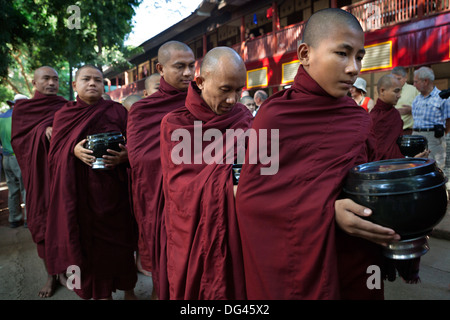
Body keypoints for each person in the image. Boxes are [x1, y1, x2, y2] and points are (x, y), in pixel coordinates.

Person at [236, 8, 399, 300]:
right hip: (299, 261)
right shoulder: (275, 117)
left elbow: (367, 184)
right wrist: (328, 212)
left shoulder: (359, 118)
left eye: (359, 57)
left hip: (356, 254)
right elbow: (253, 201)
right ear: (305, 53)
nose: (354, 68)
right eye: (342, 53)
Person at [160, 46, 253, 299]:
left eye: (239, 90)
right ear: (200, 81)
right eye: (225, 89)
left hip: (236, 224)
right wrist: (229, 186)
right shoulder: (175, 123)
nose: (233, 100)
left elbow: (259, 167)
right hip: (192, 230)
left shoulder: (243, 116)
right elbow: (180, 187)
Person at [45, 65, 138, 300]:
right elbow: (54, 156)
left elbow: (136, 145)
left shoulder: (117, 111)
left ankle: (129, 290)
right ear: (75, 85)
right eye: (86, 79)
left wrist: (126, 156)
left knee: (122, 244)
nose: (92, 83)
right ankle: (102, 294)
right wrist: (72, 151)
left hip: (115, 192)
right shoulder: (64, 115)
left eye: (98, 80)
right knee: (91, 251)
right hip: (82, 196)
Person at [126, 40, 195, 300]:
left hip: (197, 197)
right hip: (161, 198)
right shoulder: (143, 110)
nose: (188, 73)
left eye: (191, 66)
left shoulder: (204, 101)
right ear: (161, 68)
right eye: (180, 66)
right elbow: (140, 158)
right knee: (164, 261)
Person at [10, 66, 68, 298]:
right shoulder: (23, 109)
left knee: (64, 222)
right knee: (42, 223)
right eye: (46, 78)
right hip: (38, 177)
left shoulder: (65, 105)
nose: (52, 83)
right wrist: (41, 130)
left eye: (55, 79)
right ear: (34, 83)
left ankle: (64, 270)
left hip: (62, 176)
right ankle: (49, 276)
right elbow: (18, 141)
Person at [370, 74, 429, 160]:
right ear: (382, 91)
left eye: (400, 91)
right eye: (396, 91)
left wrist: (413, 159)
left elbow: (396, 147)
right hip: (380, 167)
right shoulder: (373, 117)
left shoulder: (395, 114)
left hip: (398, 164)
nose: (399, 95)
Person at [411, 66, 450, 170]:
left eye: (416, 82)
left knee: (435, 167)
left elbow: (448, 120)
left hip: (433, 137)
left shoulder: (442, 97)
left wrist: (440, 135)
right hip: (416, 136)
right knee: (416, 165)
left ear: (425, 81)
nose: (414, 85)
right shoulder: (416, 99)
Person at [1, 94, 28, 229]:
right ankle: (28, 219)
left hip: (6, 159)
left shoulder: (1, 117)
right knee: (26, 189)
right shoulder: (20, 117)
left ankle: (14, 219)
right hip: (19, 158)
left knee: (13, 190)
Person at [391, 66, 420, 135]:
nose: (396, 81)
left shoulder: (414, 90)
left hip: (408, 131)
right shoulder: (388, 90)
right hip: (391, 131)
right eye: (393, 79)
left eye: (399, 79)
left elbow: (424, 108)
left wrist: (411, 110)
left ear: (405, 78)